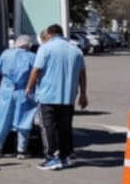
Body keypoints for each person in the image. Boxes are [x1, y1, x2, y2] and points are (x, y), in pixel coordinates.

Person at [25, 24, 88, 170]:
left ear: (50, 34)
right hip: (68, 96)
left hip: (48, 96)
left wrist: (29, 86)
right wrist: (83, 94)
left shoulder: (45, 49)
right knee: (65, 128)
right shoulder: (76, 50)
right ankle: (66, 156)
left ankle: (51, 158)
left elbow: (36, 70)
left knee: (48, 128)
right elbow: (82, 73)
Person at [0, 34, 37, 159]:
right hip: (23, 90)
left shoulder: (6, 54)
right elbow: (36, 73)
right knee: (24, 119)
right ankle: (21, 150)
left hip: (6, 89)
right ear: (28, 45)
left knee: (3, 118)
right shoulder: (32, 57)